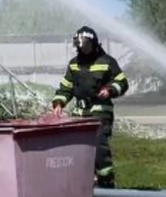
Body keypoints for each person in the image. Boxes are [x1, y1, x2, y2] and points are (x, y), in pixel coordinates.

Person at [51, 26, 129, 188]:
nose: (82, 49)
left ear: (93, 44)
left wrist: (110, 90)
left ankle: (106, 182)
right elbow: (66, 87)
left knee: (99, 147)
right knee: (78, 149)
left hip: (100, 112)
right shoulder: (74, 65)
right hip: (79, 113)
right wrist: (59, 103)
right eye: (79, 46)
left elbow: (122, 82)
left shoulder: (107, 62)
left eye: (85, 45)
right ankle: (85, 180)